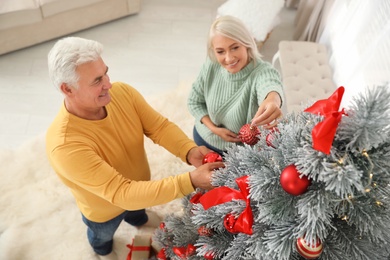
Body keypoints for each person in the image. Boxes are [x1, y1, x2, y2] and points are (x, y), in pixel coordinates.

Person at [45, 37, 224, 256]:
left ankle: (139, 218)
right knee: (102, 236)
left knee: (137, 211)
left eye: (106, 72)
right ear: (68, 89)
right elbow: (122, 193)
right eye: (97, 80)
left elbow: (158, 127)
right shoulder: (65, 146)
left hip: (140, 189)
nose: (108, 84)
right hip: (103, 212)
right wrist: (190, 181)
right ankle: (101, 250)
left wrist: (189, 151)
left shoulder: (122, 93)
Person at [187, 15, 285, 155]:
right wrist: (215, 130)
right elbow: (194, 102)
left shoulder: (262, 72)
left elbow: (270, 85)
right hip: (203, 137)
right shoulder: (211, 65)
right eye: (220, 51)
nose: (229, 58)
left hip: (236, 154)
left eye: (234, 48)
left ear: (246, 43)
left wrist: (273, 99)